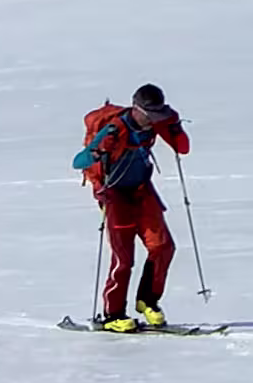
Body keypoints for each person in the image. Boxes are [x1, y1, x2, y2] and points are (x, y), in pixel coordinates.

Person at [76, 82, 191, 328]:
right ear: (136, 109)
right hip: (114, 194)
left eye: (158, 115)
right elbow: (79, 161)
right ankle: (113, 315)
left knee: (163, 247)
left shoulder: (157, 121)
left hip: (141, 190)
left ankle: (147, 301)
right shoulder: (114, 130)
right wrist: (97, 153)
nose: (154, 121)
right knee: (123, 259)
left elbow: (183, 148)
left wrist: (175, 128)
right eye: (151, 116)